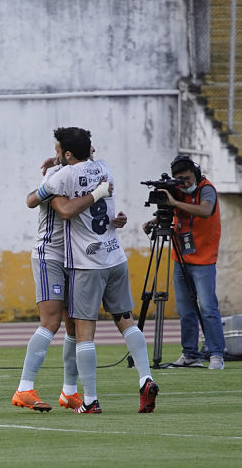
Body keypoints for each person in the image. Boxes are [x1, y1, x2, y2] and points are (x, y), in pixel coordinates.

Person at [41, 127, 158, 414]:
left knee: (84, 332)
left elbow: (53, 206)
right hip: (115, 257)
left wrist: (48, 173)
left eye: (58, 151)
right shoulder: (105, 168)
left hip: (86, 263)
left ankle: (91, 399)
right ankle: (145, 378)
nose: (56, 155)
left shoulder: (64, 176)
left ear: (67, 153)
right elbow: (97, 184)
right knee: (125, 320)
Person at [11, 158, 82, 413]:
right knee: (51, 322)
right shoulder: (56, 173)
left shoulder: (92, 174)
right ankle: (24, 388)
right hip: (49, 255)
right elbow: (33, 200)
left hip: (77, 257)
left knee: (76, 324)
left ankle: (69, 392)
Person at [143, 155, 225, 370]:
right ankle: (190, 354)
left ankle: (216, 353)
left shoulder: (206, 189)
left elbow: (206, 210)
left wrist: (175, 201)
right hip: (180, 257)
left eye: (187, 178)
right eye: (179, 179)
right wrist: (154, 221)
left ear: (195, 174)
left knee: (207, 307)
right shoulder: (178, 191)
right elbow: (175, 211)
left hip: (204, 259)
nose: (184, 183)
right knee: (185, 310)